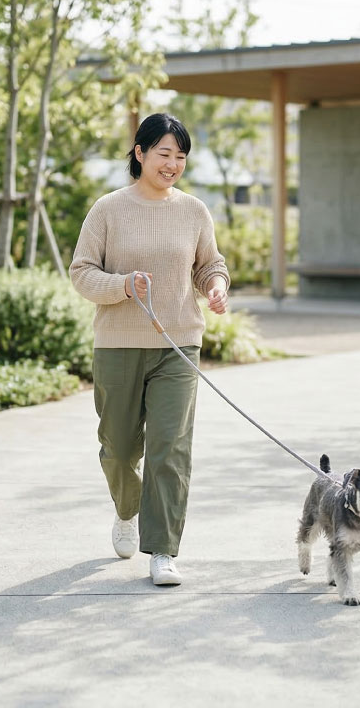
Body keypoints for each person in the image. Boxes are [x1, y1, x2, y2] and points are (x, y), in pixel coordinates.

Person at [70, 113, 230, 585]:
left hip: (178, 346)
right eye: (164, 154)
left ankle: (163, 550)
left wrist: (216, 286)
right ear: (139, 153)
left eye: (180, 156)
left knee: (170, 449)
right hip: (118, 346)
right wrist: (123, 285)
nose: (172, 164)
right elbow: (81, 272)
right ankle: (127, 510)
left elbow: (209, 265)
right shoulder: (107, 210)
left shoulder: (194, 211)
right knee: (119, 450)